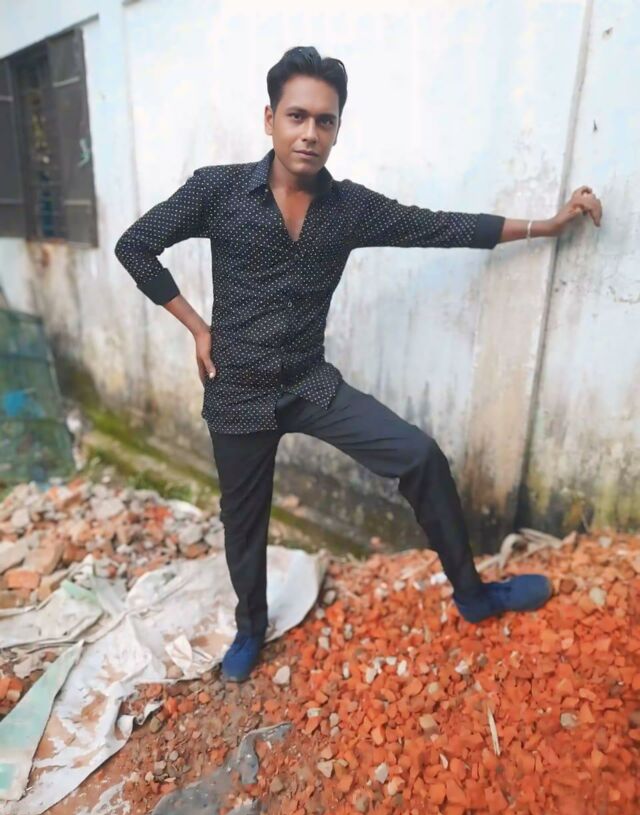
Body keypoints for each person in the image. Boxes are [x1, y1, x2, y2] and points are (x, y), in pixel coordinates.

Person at [115, 46, 603, 683]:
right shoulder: (218, 189)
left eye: (325, 121)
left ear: (337, 129)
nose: (309, 133)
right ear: (269, 119)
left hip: (308, 383)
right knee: (244, 523)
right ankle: (250, 628)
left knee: (420, 455)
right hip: (236, 389)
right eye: (297, 116)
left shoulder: (349, 209)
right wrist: (197, 326)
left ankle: (474, 595)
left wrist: (547, 225)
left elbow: (441, 227)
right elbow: (136, 246)